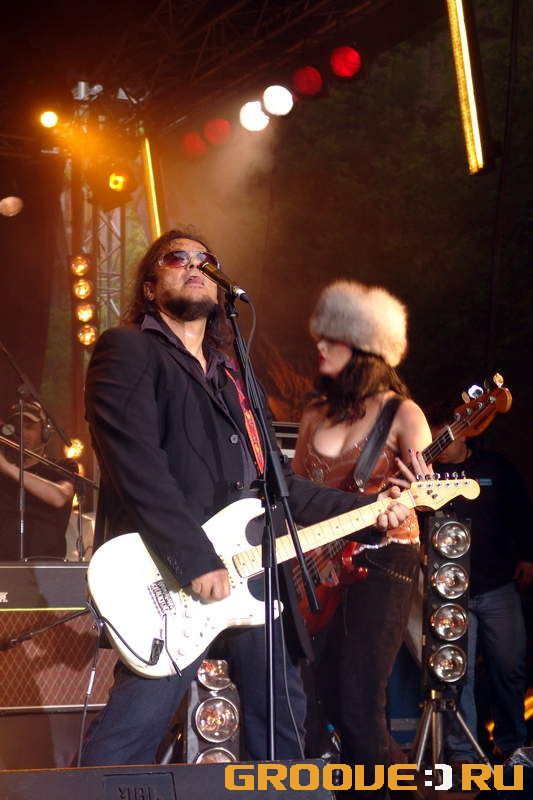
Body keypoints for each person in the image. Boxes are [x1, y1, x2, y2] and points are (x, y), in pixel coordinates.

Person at [79, 229, 412, 767]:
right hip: (169, 571)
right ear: (149, 286)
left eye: (206, 260)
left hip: (253, 573)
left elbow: (280, 485)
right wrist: (195, 559)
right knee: (135, 727)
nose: (195, 266)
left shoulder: (234, 374)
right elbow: (136, 465)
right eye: (177, 258)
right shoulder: (128, 349)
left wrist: (371, 511)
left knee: (282, 727)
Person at [292, 280, 432, 799]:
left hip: (384, 561)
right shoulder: (313, 413)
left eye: (331, 337)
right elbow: (295, 493)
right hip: (319, 569)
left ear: (363, 347)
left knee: (358, 699)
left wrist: (417, 492)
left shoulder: (402, 413)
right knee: (321, 697)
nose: (319, 346)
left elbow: (425, 493)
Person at [425, 402, 533, 766]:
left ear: (463, 431)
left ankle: (513, 746)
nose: (438, 446)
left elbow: (521, 512)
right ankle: (464, 755)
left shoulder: (495, 467)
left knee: (509, 668)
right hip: (449, 595)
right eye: (432, 439)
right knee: (457, 674)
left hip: (498, 584)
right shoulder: (425, 477)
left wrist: (527, 557)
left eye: (444, 437)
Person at [0, 400, 76, 560]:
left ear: (45, 432)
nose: (22, 433)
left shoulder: (62, 466)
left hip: (46, 567)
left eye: (29, 427)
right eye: (17, 427)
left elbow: (59, 496)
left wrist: (7, 467)